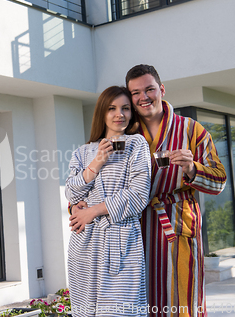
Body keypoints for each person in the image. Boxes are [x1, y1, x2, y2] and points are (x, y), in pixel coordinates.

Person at [125, 64, 227, 317]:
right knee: (138, 301)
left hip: (178, 222)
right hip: (134, 228)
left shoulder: (192, 130)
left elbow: (219, 181)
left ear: (161, 89)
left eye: (149, 89)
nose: (143, 97)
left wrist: (192, 168)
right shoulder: (124, 132)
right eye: (135, 92)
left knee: (183, 299)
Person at [65, 86, 152, 317]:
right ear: (102, 113)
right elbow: (71, 194)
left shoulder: (137, 145)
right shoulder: (82, 152)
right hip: (85, 244)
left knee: (120, 311)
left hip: (122, 243)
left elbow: (138, 195)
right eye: (112, 108)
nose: (119, 114)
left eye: (125, 108)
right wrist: (96, 163)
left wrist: (92, 211)